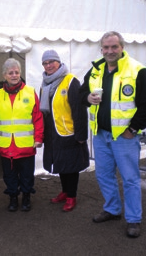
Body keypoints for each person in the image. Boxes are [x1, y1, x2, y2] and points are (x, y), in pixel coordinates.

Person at [79, 31, 146, 238]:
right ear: (101, 49)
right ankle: (112, 209)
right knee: (103, 175)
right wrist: (87, 97)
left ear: (122, 47)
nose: (109, 51)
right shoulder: (96, 69)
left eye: (114, 47)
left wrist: (133, 129)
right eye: (105, 47)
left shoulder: (137, 69)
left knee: (130, 179)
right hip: (101, 135)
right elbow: (80, 95)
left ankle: (133, 219)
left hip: (124, 138)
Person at [0, 58, 44, 212]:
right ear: (4, 75)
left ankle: (26, 197)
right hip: (7, 146)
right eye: (10, 73)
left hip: (26, 145)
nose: (14, 75)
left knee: (27, 175)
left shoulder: (30, 92)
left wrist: (39, 138)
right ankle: (13, 197)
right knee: (10, 175)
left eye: (17, 72)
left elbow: (38, 117)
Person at [40, 50, 89, 212]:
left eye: (51, 62)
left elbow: (79, 110)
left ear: (59, 62)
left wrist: (81, 135)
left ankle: (71, 196)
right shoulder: (45, 84)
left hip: (68, 132)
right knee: (61, 164)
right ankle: (65, 191)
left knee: (71, 167)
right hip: (52, 133)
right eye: (45, 63)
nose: (48, 65)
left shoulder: (71, 81)